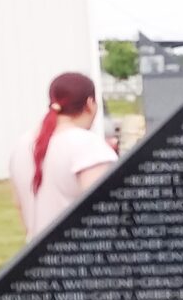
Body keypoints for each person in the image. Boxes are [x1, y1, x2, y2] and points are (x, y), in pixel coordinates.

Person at [9, 72, 118, 240]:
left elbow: (19, 205)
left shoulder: (22, 144)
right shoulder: (89, 145)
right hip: (80, 257)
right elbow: (104, 211)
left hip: (36, 256)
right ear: (90, 103)